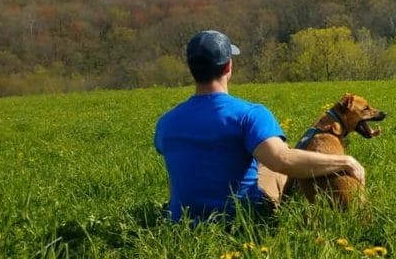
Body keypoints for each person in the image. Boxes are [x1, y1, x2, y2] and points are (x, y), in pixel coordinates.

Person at [154, 29, 365, 223]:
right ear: (228, 66)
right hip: (243, 218)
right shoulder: (250, 115)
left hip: (182, 221)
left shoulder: (166, 122)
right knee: (277, 159)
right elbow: (284, 161)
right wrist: (344, 160)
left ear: (192, 69)